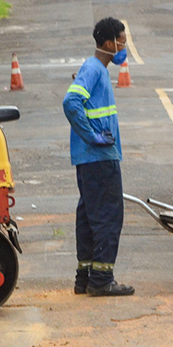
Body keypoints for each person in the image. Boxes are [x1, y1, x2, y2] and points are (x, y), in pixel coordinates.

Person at [63, 17, 134, 297]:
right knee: (107, 215)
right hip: (98, 157)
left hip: (91, 159)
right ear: (109, 43)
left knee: (90, 215)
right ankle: (102, 280)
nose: (124, 48)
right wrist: (91, 136)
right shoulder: (94, 68)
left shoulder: (94, 69)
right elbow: (71, 102)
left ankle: (85, 277)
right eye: (122, 42)